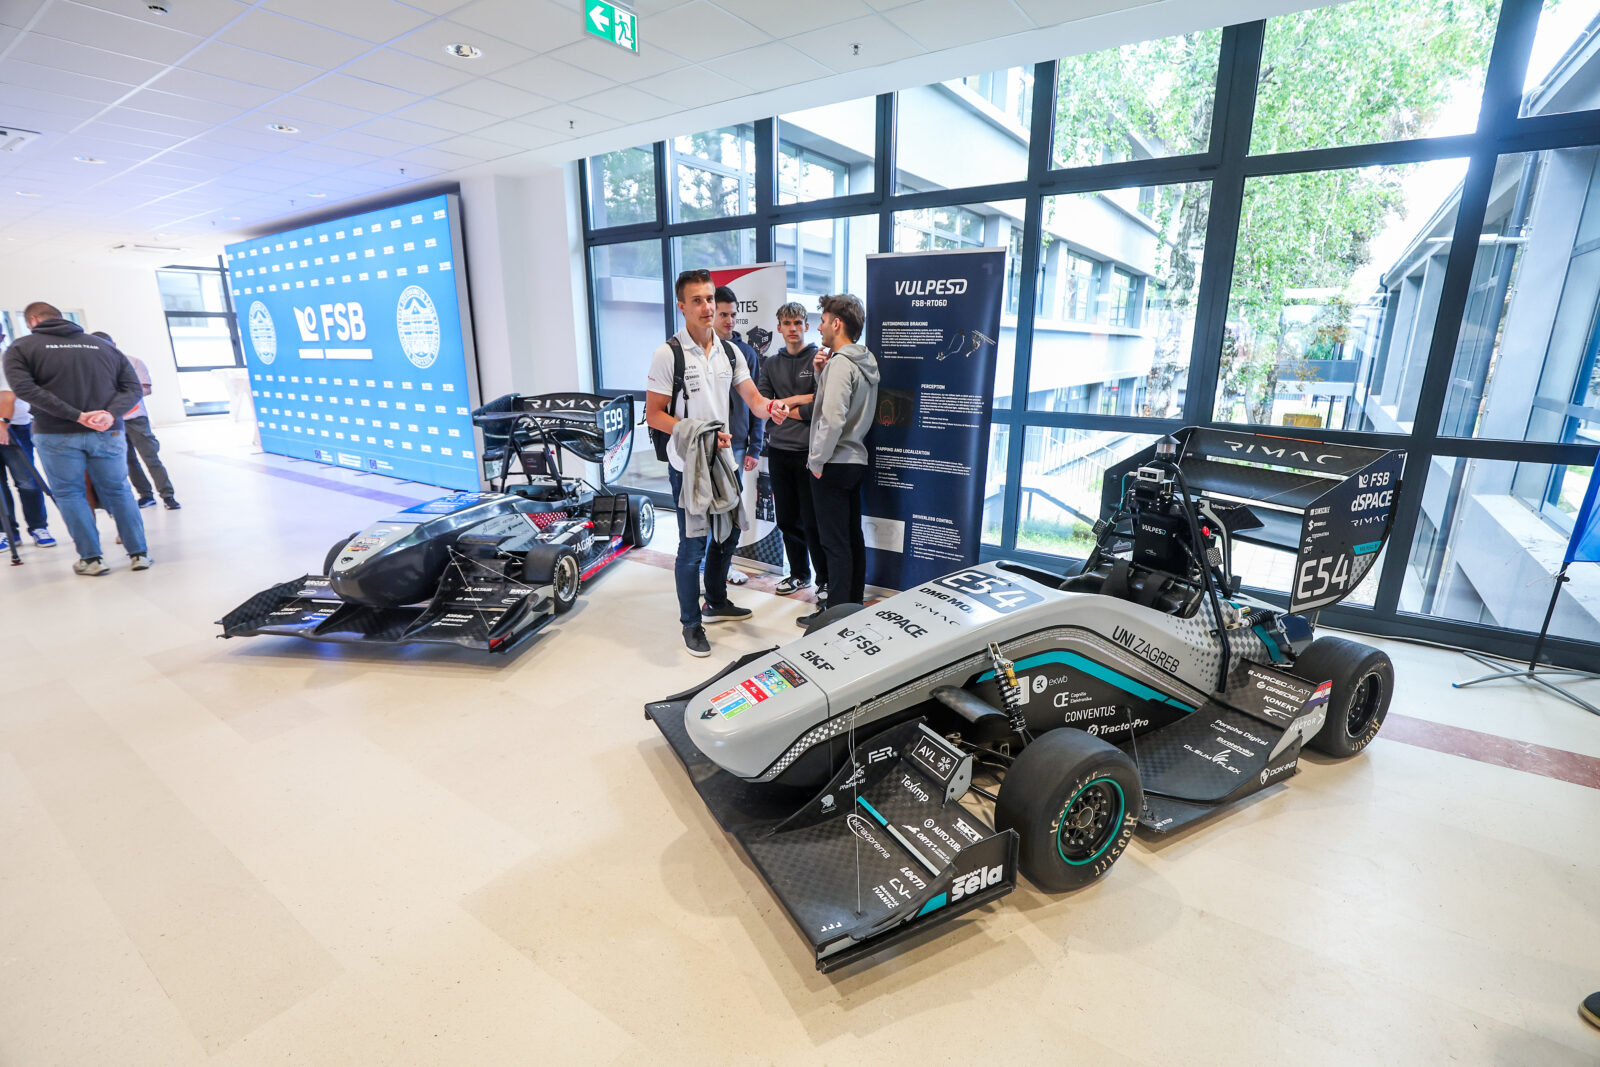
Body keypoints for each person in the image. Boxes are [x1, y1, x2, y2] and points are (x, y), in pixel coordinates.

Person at [646, 270, 787, 657]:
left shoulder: (731, 352)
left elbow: (754, 400)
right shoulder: (668, 354)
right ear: (682, 306)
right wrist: (701, 433)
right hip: (688, 465)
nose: (707, 307)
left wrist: (771, 408)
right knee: (692, 547)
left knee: (727, 536)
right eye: (697, 300)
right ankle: (691, 625)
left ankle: (717, 601)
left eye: (709, 298)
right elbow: (655, 415)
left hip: (724, 462)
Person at [2, 302, 149, 574]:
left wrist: (76, 416)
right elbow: (133, 388)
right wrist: (109, 414)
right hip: (106, 430)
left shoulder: (21, 348)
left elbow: (24, 389)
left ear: (32, 320)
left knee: (71, 494)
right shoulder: (103, 346)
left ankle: (91, 560)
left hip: (55, 434)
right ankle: (139, 554)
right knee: (119, 490)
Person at [802, 293, 878, 628]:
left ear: (836, 323)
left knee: (834, 544)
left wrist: (816, 461)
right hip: (855, 460)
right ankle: (852, 608)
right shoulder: (864, 361)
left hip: (833, 463)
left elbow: (831, 420)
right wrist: (821, 373)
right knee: (851, 538)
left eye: (822, 321)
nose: (818, 327)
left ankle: (834, 619)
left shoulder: (841, 364)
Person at [758, 301, 828, 601]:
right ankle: (800, 574)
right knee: (787, 519)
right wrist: (798, 398)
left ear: (806, 326)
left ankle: (825, 580)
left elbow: (820, 401)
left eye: (798, 323)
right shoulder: (771, 364)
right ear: (779, 328)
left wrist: (785, 403)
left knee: (813, 521)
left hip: (809, 452)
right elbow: (763, 404)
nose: (793, 329)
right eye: (787, 324)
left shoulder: (819, 359)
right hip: (779, 451)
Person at [92, 330, 179, 510]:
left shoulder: (133, 362)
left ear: (114, 345)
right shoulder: (93, 367)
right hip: (113, 421)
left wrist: (121, 395)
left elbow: (146, 388)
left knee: (151, 458)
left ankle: (168, 495)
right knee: (129, 461)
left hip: (135, 418)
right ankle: (145, 495)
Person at [710, 285, 762, 587]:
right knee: (703, 512)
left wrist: (755, 446)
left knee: (729, 511)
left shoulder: (747, 354)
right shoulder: (699, 354)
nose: (729, 321)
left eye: (733, 315)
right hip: (706, 444)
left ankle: (723, 569)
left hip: (738, 444)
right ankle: (705, 572)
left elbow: (757, 402)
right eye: (723, 315)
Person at [0, 331, 58, 549]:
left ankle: (38, 527)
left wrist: (2, 423)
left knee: (26, 480)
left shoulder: (8, 359)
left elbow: (7, 396)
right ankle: (6, 532)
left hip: (13, 426)